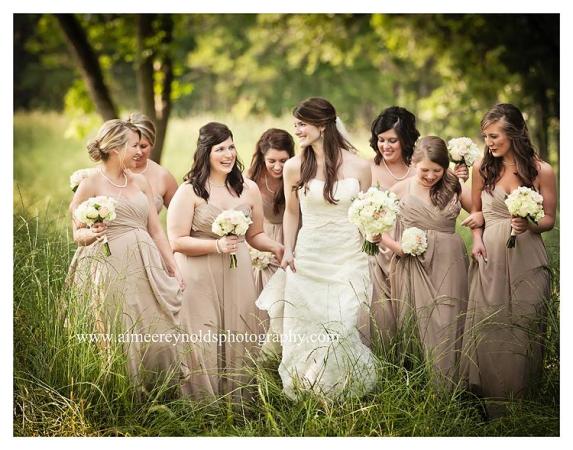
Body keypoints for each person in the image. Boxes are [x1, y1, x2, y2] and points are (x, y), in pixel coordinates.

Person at [259, 97, 377, 400]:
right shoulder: (294, 167)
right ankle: (308, 389)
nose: (296, 129)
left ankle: (342, 388)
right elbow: (292, 212)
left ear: (322, 125)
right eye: (295, 123)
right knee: (308, 325)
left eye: (302, 123)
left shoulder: (360, 166)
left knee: (341, 322)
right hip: (309, 256)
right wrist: (289, 249)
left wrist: (372, 235)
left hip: (348, 255)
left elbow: (368, 211)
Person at [167, 122, 283, 401]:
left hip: (237, 271)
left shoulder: (249, 189)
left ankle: (238, 400)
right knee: (202, 334)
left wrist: (278, 247)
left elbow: (255, 234)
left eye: (231, 147)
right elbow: (177, 241)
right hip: (198, 273)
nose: (228, 154)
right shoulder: (189, 191)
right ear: (206, 152)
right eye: (220, 149)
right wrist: (216, 245)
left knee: (239, 330)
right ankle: (202, 403)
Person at [68, 119, 185, 393]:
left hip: (146, 265)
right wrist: (92, 232)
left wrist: (173, 266)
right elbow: (77, 234)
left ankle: (158, 390)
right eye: (133, 145)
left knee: (157, 329)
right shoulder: (91, 184)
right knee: (116, 330)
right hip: (109, 267)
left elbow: (156, 231)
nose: (139, 151)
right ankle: (119, 394)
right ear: (115, 148)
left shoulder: (141, 182)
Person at [460, 104, 556, 417]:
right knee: (491, 325)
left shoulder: (541, 171)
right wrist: (475, 241)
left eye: (494, 135)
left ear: (514, 133)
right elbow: (476, 212)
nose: (488, 142)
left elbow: (550, 219)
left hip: (527, 255)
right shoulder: (481, 168)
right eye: (485, 136)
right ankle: (490, 404)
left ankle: (523, 403)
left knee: (525, 325)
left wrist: (529, 224)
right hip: (490, 256)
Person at [380, 136, 472, 387]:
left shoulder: (453, 185)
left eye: (437, 171)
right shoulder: (400, 189)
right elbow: (378, 227)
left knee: (448, 316)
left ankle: (450, 384)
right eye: (425, 170)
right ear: (413, 163)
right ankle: (418, 382)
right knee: (417, 317)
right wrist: (396, 247)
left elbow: (478, 211)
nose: (431, 176)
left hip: (449, 260)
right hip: (412, 262)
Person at [366, 106, 420, 348]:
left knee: (409, 307)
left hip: (406, 245)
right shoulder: (368, 169)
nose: (385, 146)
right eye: (380, 140)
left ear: (405, 141)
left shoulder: (419, 170)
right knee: (380, 312)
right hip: (374, 245)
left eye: (392, 141)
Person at [246, 128, 295, 293]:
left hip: (294, 234)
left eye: (283, 160)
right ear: (262, 157)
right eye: (271, 161)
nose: (278, 167)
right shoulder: (252, 178)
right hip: (265, 236)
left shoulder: (298, 174)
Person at [126, 112, 179, 211]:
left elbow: (181, 214)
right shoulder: (112, 170)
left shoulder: (163, 176)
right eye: (133, 145)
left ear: (152, 144)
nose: (138, 152)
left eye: (143, 146)